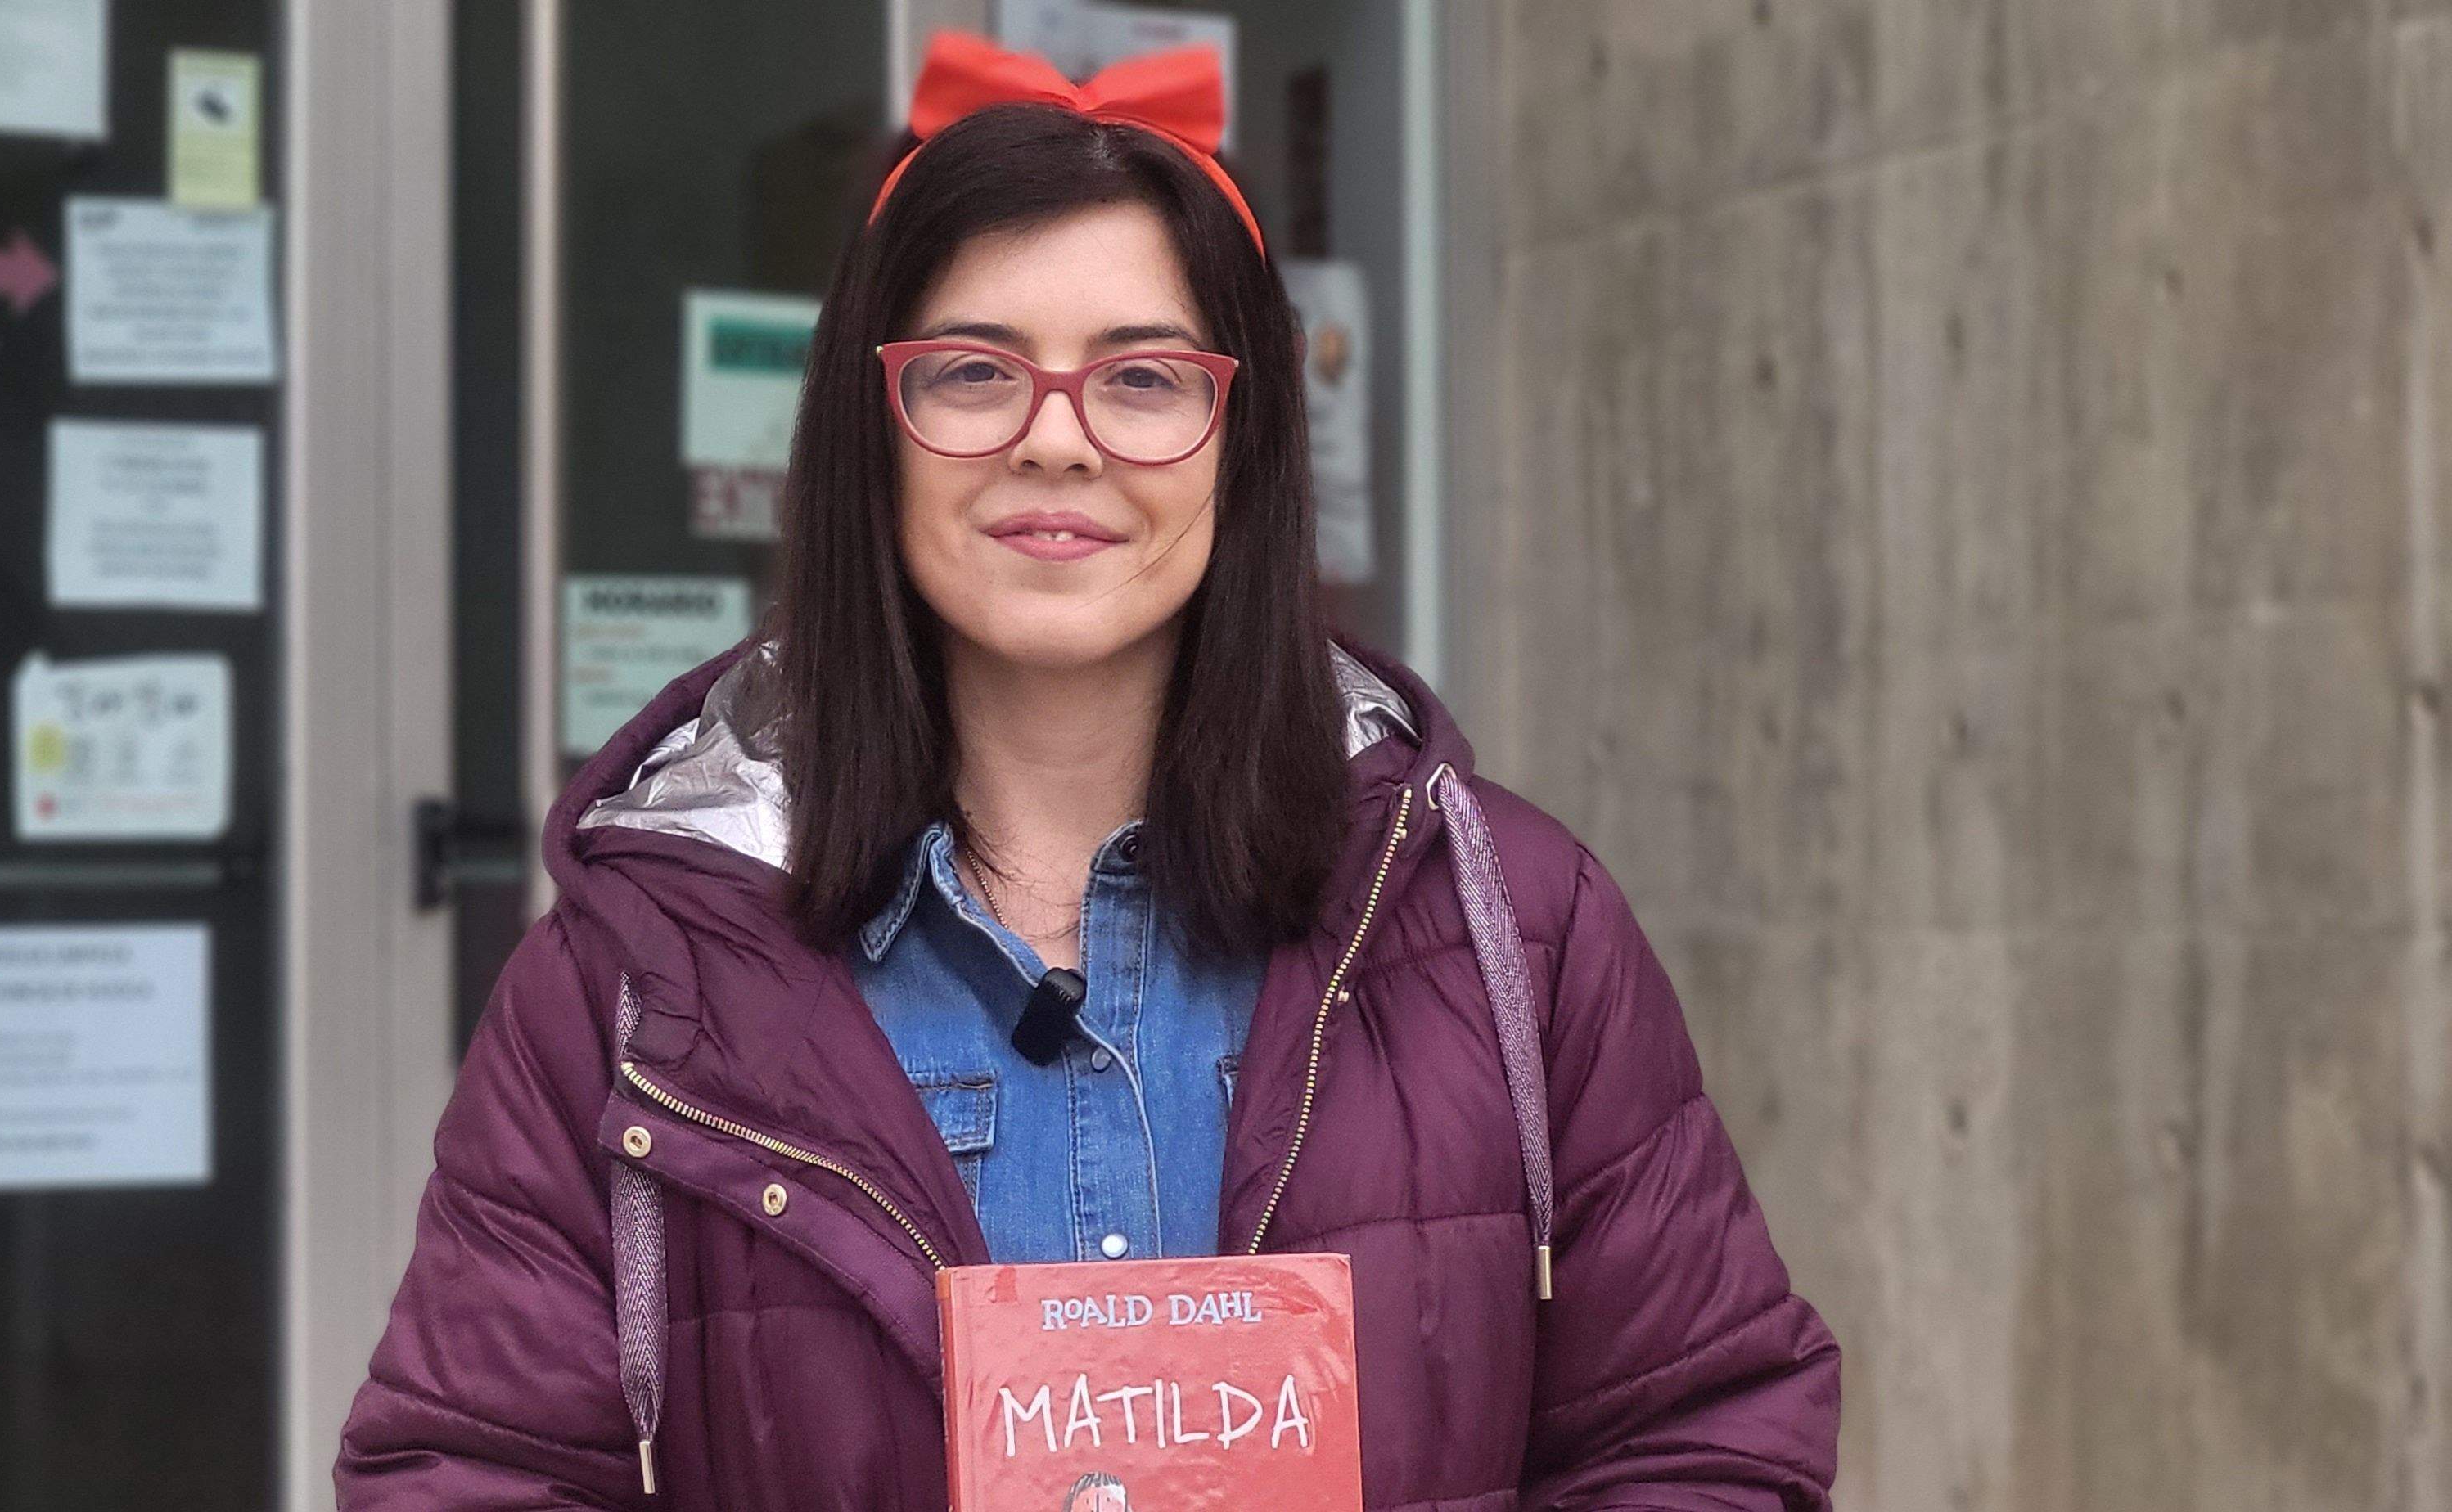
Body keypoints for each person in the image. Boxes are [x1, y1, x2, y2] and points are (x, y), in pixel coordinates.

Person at [339, 32, 1838, 1510]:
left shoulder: (1515, 929)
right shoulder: (639, 978)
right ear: (874, 428)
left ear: (1240, 443)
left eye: (1142, 379)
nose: (1057, 445)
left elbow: (1703, 1434)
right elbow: (467, 1474)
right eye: (975, 371)